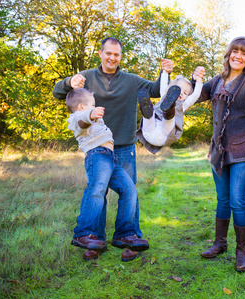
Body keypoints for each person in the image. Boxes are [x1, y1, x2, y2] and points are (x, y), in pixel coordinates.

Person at [53, 37, 174, 261]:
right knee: (98, 190)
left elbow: (155, 90)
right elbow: (58, 93)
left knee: (129, 191)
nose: (112, 58)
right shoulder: (87, 77)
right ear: (100, 53)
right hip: (98, 148)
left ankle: (129, 238)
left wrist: (164, 73)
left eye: (116, 55)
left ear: (120, 57)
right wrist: (70, 81)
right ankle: (94, 241)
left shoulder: (130, 80)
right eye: (108, 53)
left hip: (125, 146)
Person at [194, 37, 245, 272]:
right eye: (235, 51)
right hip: (219, 150)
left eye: (244, 53)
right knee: (223, 199)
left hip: (244, 150)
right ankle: (220, 244)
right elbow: (195, 95)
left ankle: (242, 251)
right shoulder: (216, 82)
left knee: (237, 200)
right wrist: (193, 79)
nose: (238, 56)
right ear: (228, 54)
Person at [65, 88, 149, 262]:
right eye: (92, 104)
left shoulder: (93, 119)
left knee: (129, 189)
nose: (95, 107)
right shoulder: (76, 118)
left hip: (111, 158)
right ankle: (84, 233)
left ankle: (124, 234)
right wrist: (90, 114)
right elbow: (81, 121)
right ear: (81, 106)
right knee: (97, 189)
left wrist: (92, 113)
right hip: (97, 156)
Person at [135, 70, 203, 153]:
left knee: (168, 119)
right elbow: (163, 84)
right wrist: (165, 72)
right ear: (171, 88)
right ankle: (147, 107)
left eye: (185, 93)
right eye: (179, 89)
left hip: (164, 135)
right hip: (149, 132)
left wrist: (199, 80)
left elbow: (195, 95)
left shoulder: (184, 104)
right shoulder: (164, 95)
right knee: (149, 115)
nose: (181, 93)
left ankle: (168, 109)